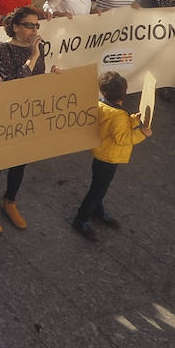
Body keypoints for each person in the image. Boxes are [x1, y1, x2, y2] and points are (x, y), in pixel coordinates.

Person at [0, 6, 50, 234]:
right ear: (16, 27)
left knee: (21, 160)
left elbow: (38, 80)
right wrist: (33, 57)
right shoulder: (2, 49)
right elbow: (11, 83)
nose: (34, 30)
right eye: (29, 25)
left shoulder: (38, 50)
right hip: (6, 112)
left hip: (27, 112)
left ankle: (10, 201)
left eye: (37, 25)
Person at [71, 70, 152, 241]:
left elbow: (114, 127)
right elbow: (122, 137)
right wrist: (142, 133)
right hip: (110, 157)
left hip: (100, 154)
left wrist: (133, 120)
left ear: (103, 92)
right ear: (124, 92)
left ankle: (97, 211)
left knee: (99, 185)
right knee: (98, 189)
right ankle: (81, 219)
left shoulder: (102, 106)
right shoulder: (119, 116)